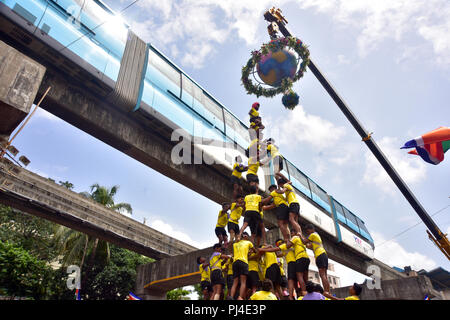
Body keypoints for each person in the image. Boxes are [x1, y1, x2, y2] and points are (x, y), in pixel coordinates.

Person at [300, 224, 330, 294]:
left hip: (319, 255)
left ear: (311, 229)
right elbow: (308, 246)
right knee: (325, 275)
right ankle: (328, 292)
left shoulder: (313, 235)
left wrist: (300, 236)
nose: (308, 233)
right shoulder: (316, 236)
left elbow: (304, 242)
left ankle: (326, 292)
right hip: (323, 254)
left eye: (308, 231)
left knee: (322, 275)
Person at [230, 232, 256, 300]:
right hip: (243, 262)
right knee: (243, 282)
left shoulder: (235, 244)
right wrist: (250, 251)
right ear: (244, 236)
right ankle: (240, 297)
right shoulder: (248, 243)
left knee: (235, 282)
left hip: (235, 263)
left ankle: (231, 297)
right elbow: (255, 251)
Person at [287, 230, 310, 296]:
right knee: (306, 277)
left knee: (299, 276)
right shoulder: (302, 239)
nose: (291, 234)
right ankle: (309, 292)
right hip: (306, 258)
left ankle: (304, 293)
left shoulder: (295, 237)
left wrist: (288, 240)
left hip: (300, 257)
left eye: (292, 233)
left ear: (295, 233)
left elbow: (288, 245)